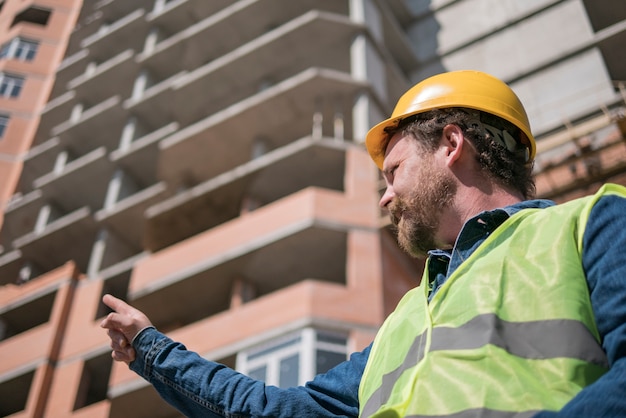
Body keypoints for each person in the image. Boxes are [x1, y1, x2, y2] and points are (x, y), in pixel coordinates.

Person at [102, 70, 626, 417]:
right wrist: (152, 350)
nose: (385, 197)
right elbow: (275, 411)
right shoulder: (405, 321)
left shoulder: (590, 223)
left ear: (450, 144)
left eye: (393, 171)